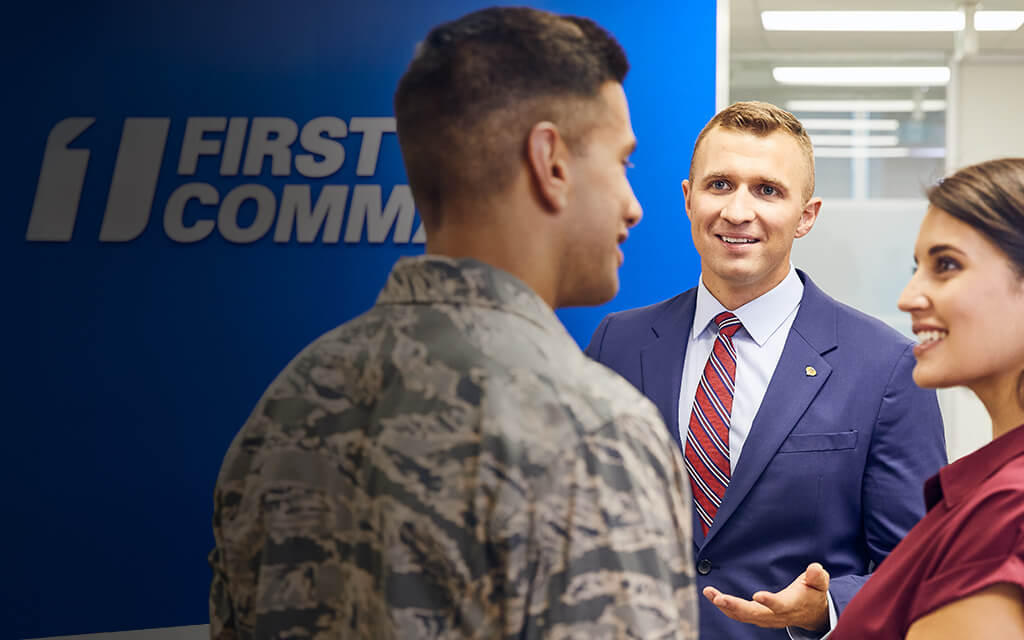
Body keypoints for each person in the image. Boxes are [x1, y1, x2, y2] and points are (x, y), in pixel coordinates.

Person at [207, 7, 698, 639]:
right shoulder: (593, 435)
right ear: (551, 161)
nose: (633, 207)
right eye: (624, 163)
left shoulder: (283, 412)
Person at [585, 101, 947, 640]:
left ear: (807, 215)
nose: (737, 211)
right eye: (720, 185)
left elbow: (919, 566)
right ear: (688, 199)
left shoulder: (886, 367)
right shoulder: (619, 340)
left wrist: (825, 609)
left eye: (768, 191)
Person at [829, 157, 1024, 639]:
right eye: (918, 268)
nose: (909, 296)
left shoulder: (1007, 514)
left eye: (947, 266)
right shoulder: (989, 489)